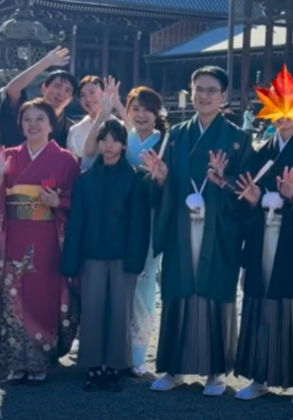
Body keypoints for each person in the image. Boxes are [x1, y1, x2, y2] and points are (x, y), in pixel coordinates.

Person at [140, 66, 253, 396]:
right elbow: (160, 184)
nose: (203, 96)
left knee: (215, 291)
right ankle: (174, 369)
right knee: (178, 291)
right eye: (198, 89)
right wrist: (159, 177)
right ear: (191, 92)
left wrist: (225, 181)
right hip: (179, 224)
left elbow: (248, 188)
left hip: (219, 227)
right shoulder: (175, 136)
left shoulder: (238, 139)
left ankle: (215, 372)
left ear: (223, 97)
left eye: (211, 90)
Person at [233, 116, 293, 404]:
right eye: (276, 108)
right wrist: (251, 199)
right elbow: (250, 188)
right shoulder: (262, 150)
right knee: (261, 305)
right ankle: (259, 377)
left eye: (289, 109)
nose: (282, 116)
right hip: (264, 236)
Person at [0, 98, 81, 383]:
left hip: (47, 238)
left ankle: (41, 360)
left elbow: (77, 202)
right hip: (14, 235)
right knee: (13, 295)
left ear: (51, 124)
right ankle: (15, 362)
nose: (33, 124)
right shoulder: (10, 155)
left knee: (43, 295)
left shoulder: (65, 158)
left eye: (40, 118)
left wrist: (58, 202)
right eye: (27, 119)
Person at [61, 120, 151, 392]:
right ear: (97, 144)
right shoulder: (86, 179)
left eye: (115, 139)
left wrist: (136, 259)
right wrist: (70, 259)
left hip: (123, 257)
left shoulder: (135, 177)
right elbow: (76, 221)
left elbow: (139, 223)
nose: (109, 144)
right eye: (104, 139)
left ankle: (113, 367)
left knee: (119, 312)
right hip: (91, 255)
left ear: (124, 144)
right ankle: (93, 366)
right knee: (93, 311)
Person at [100, 86, 167, 376]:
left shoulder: (166, 142)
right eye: (135, 109)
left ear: (157, 113)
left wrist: (160, 177)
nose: (141, 115)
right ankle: (114, 349)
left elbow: (170, 185)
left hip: (149, 219)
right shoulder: (122, 139)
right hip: (119, 220)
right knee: (115, 285)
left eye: (147, 109)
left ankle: (137, 352)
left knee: (143, 284)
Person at [0, 47, 74, 148]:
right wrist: (46, 62)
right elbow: (12, 90)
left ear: (71, 99)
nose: (61, 93)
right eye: (57, 86)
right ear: (44, 88)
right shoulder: (25, 111)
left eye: (67, 90)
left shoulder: (71, 130)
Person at [69, 76, 127, 164]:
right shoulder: (74, 131)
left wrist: (117, 103)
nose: (88, 99)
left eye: (92, 92)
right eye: (82, 95)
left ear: (105, 93)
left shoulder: (121, 125)